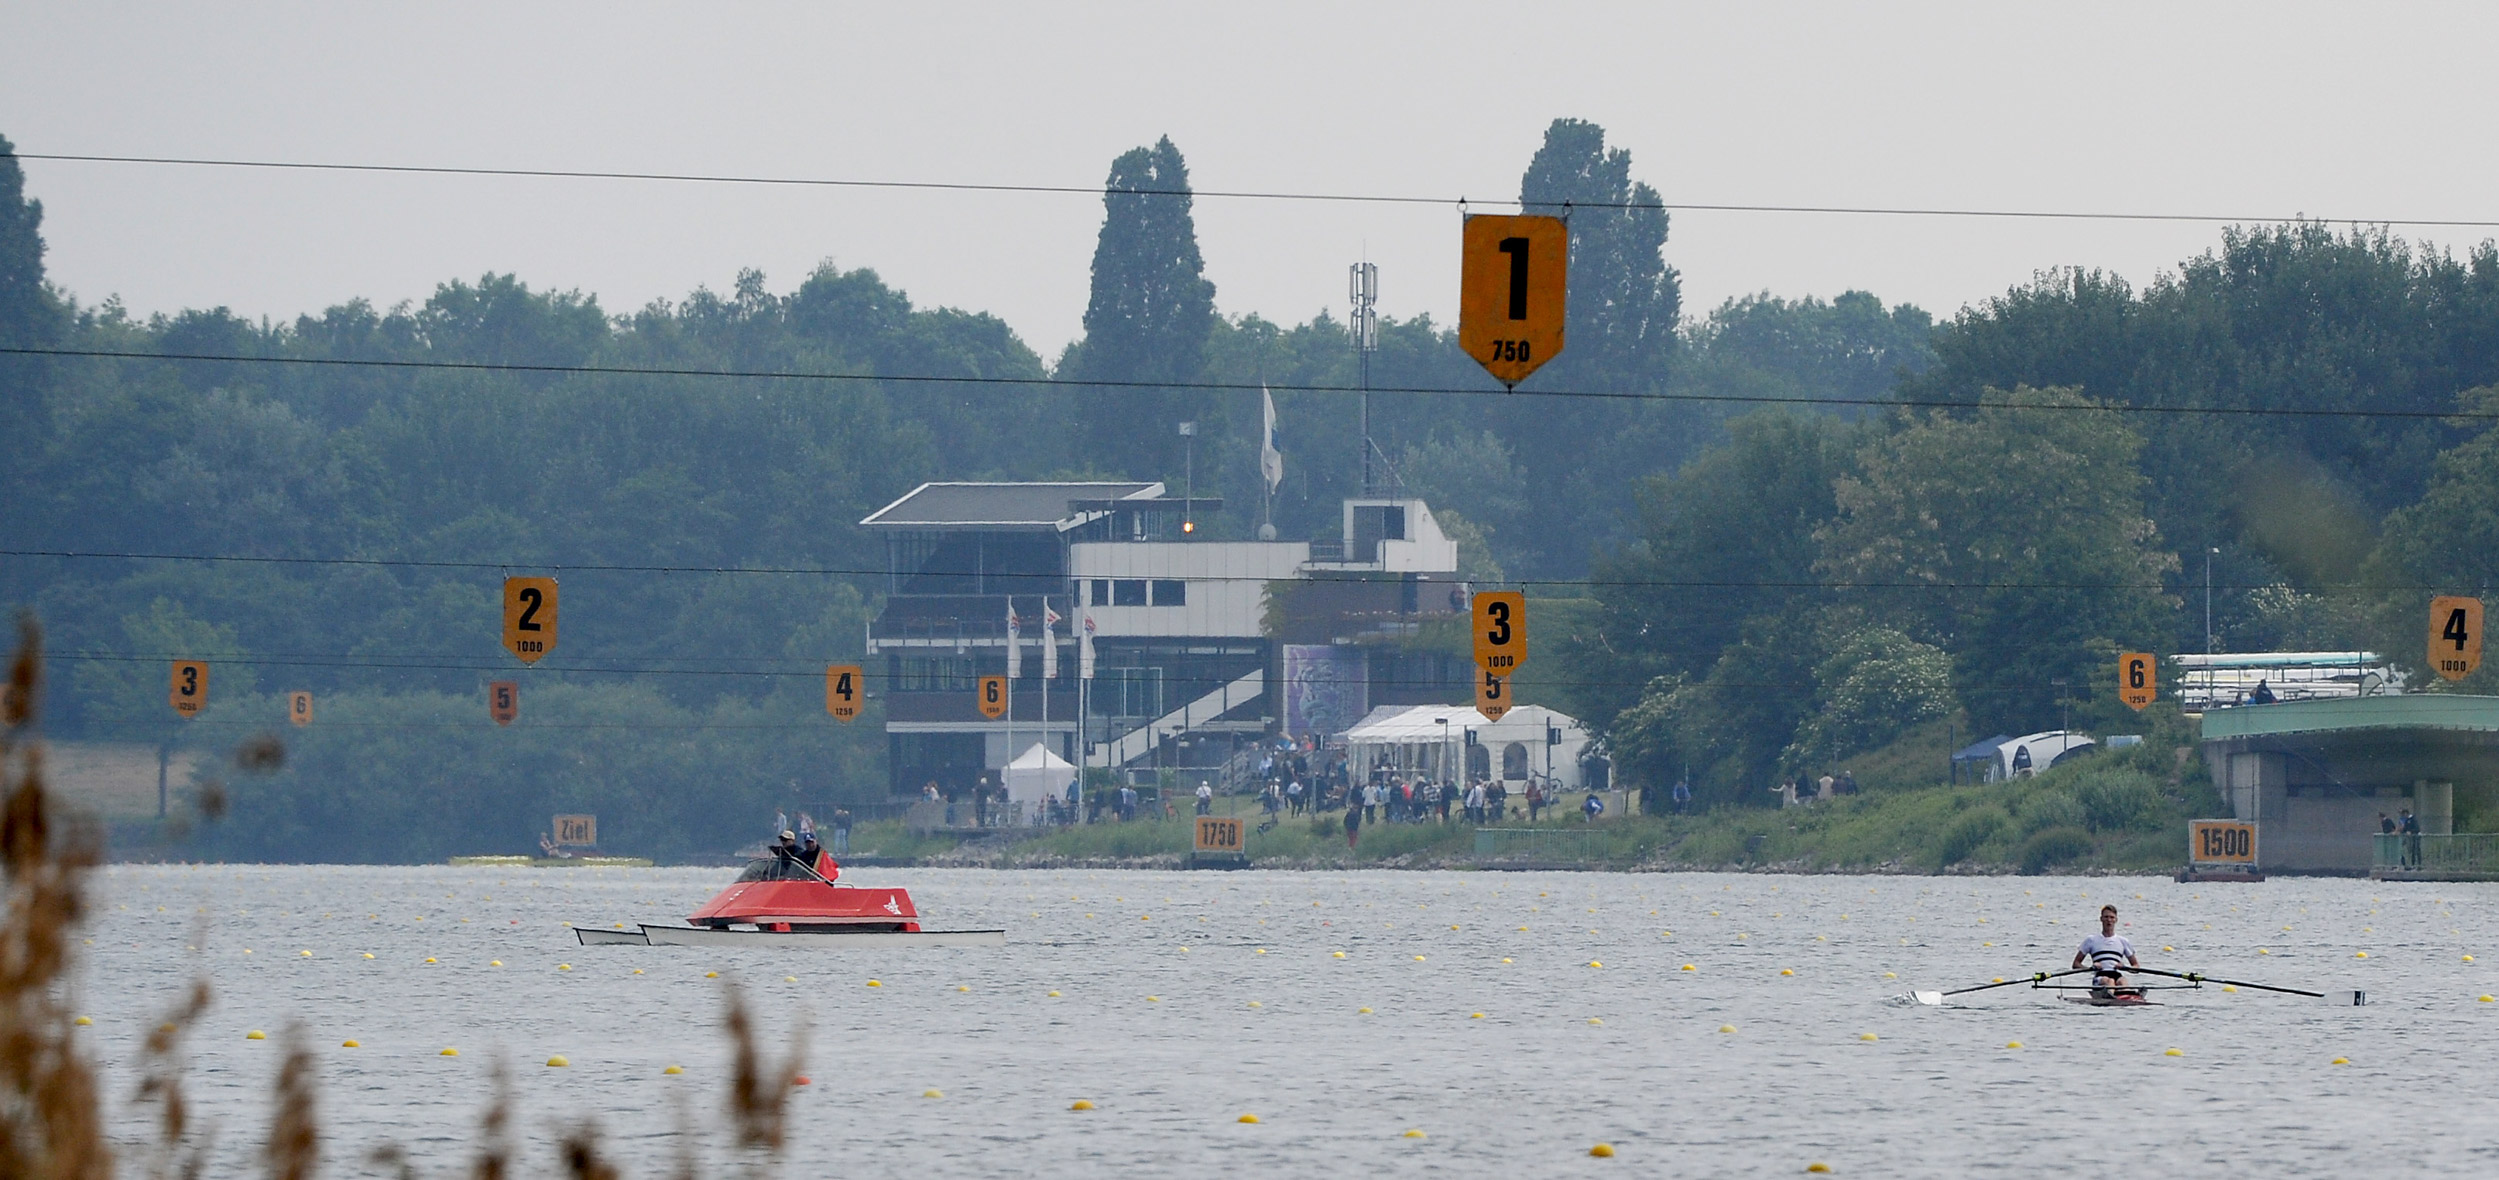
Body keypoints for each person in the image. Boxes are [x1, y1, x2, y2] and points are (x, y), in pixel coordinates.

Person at [2071, 904, 2141, 999]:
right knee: (2110, 981)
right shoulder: (2091, 940)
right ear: (2101, 919)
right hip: (2100, 976)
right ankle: (2112, 1000)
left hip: (2116, 974)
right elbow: (2076, 964)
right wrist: (2091, 968)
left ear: (2116, 920)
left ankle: (2125, 998)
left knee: (2122, 981)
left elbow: (2136, 966)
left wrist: (2125, 967)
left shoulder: (2123, 941)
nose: (2109, 920)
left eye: (2112, 917)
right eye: (2106, 917)